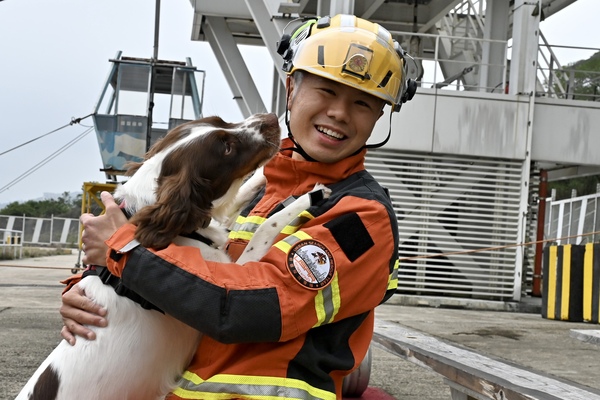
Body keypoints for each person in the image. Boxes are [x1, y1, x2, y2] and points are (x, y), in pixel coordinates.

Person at [61, 14, 415, 399]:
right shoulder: (258, 191)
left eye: (362, 103)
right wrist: (96, 291)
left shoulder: (360, 218)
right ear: (291, 87)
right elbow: (186, 276)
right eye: (327, 90)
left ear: (380, 115)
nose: (340, 113)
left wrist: (124, 252)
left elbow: (245, 306)